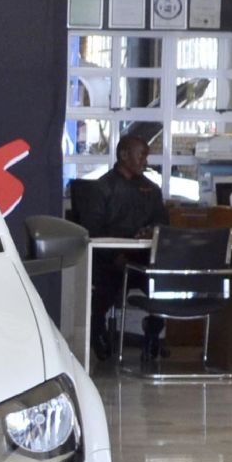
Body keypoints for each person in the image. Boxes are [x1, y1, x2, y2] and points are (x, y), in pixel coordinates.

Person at [86, 134, 168, 361]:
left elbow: (163, 224)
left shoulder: (151, 189)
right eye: (141, 155)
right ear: (124, 155)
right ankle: (97, 331)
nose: (145, 161)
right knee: (105, 288)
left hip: (143, 260)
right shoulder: (102, 188)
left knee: (165, 287)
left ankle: (153, 333)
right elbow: (93, 230)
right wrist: (115, 256)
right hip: (110, 261)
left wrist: (151, 231)